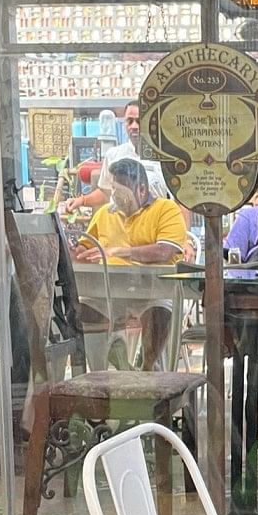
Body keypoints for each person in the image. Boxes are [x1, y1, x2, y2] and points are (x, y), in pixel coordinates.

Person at [73, 156, 187, 370]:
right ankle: (100, 371)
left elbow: (165, 251)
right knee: (85, 309)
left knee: (159, 312)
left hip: (155, 289)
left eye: (122, 192)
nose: (116, 197)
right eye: (114, 190)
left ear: (141, 190)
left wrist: (123, 252)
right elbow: (85, 247)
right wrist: (74, 250)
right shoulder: (104, 214)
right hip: (111, 289)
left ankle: (147, 368)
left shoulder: (166, 209)